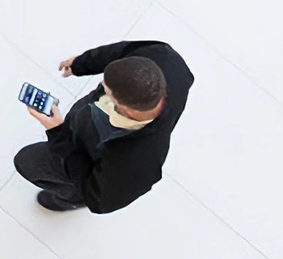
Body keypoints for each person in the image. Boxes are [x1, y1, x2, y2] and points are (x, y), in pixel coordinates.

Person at [14, 39, 194, 214]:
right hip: (84, 124)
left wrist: (58, 133)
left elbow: (98, 200)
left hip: (88, 161)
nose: (101, 85)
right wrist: (81, 64)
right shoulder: (164, 58)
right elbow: (120, 52)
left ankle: (71, 200)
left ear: (127, 109)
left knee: (26, 162)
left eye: (106, 90)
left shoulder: (138, 164)